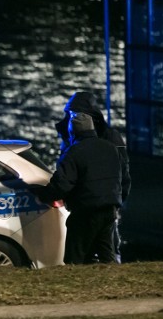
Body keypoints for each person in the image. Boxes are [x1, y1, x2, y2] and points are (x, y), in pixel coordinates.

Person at [37, 112, 124, 265]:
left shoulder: (74, 153)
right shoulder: (111, 148)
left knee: (74, 258)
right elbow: (120, 177)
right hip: (110, 208)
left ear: (73, 132)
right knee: (106, 255)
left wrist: (42, 194)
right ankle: (112, 285)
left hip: (86, 212)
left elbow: (62, 185)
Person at [55, 91, 131, 261]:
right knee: (102, 253)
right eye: (72, 114)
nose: (74, 117)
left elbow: (123, 174)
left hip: (98, 205)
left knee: (99, 252)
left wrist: (116, 200)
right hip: (88, 205)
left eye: (78, 114)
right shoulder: (70, 137)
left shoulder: (110, 138)